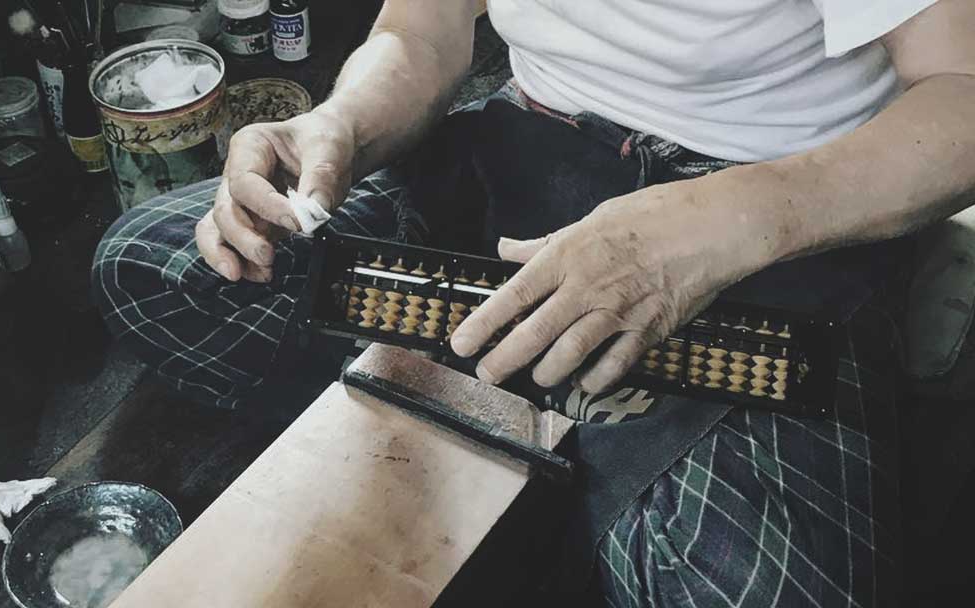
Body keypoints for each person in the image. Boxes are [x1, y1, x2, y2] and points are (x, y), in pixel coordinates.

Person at [93, 0, 975, 604]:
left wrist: (717, 224)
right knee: (157, 271)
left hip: (765, 205)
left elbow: (962, 98)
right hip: (530, 147)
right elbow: (423, 29)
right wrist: (341, 123)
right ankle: (562, 444)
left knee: (755, 587)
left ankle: (529, 435)